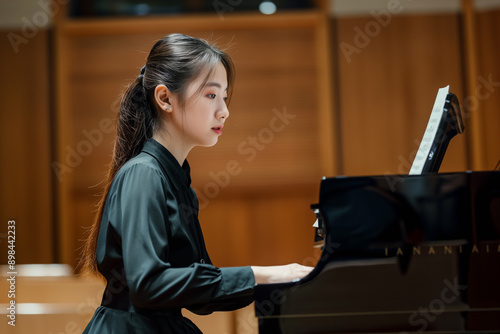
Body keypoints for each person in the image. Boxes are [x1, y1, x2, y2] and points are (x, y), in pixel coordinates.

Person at [81, 33, 313, 333]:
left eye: (225, 97)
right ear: (165, 98)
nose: (224, 111)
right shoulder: (143, 175)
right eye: (211, 95)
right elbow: (148, 285)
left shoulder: (176, 183)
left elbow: (201, 296)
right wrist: (263, 275)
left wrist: (284, 279)